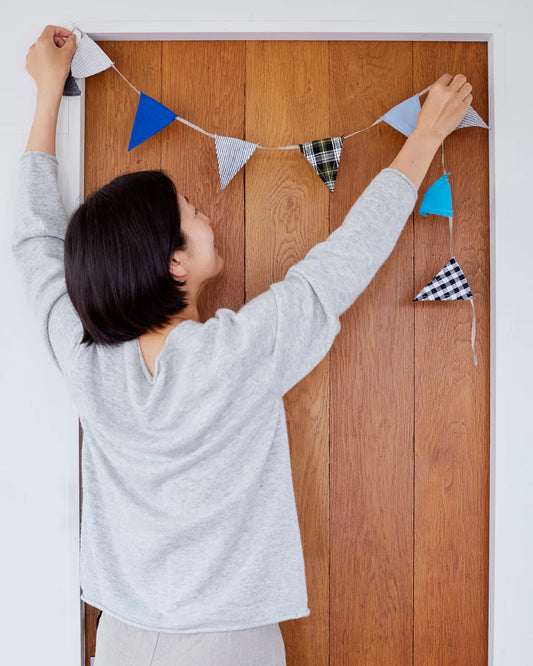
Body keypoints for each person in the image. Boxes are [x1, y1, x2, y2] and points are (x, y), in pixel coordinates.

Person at [14, 24, 473, 666]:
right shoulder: (233, 356)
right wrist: (426, 137)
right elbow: (338, 266)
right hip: (225, 642)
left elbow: (36, 247)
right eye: (191, 212)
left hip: (118, 638)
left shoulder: (86, 360)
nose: (206, 216)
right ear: (175, 265)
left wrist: (44, 97)